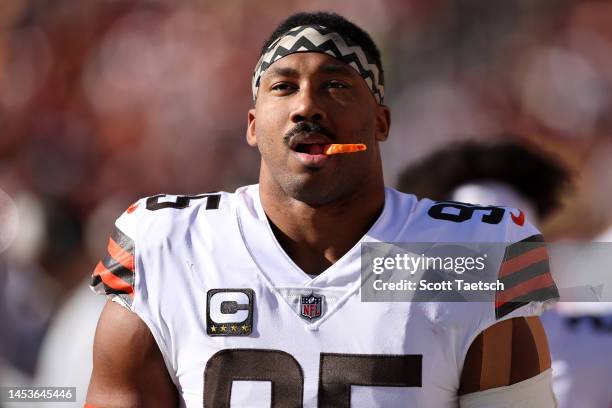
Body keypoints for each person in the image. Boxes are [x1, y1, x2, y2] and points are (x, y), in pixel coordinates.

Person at [86, 12, 558, 407]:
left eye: (335, 86)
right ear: (253, 125)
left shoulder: (470, 257)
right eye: (283, 87)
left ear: (380, 122)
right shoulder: (167, 246)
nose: (306, 106)